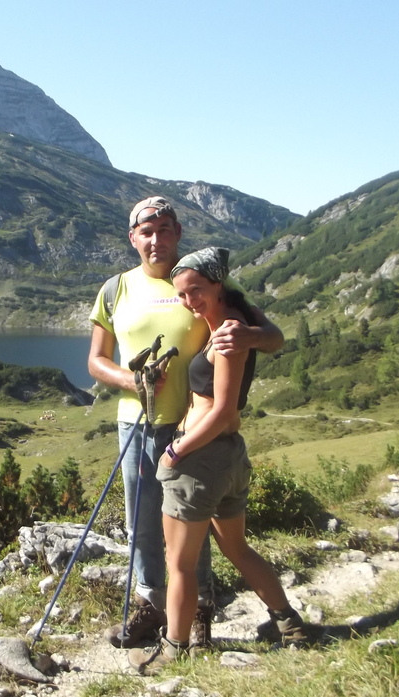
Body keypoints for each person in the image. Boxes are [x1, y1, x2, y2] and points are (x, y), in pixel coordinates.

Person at [88, 196, 284, 650]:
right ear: (133, 238)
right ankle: (152, 607)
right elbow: (97, 361)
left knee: (192, 523)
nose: (157, 239)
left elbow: (273, 338)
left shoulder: (203, 282)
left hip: (193, 428)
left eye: (166, 229)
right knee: (142, 525)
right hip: (136, 423)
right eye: (147, 231)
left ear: (178, 232)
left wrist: (247, 334)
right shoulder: (114, 289)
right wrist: (133, 379)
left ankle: (198, 616)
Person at [127, 247, 307, 675]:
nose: (189, 301)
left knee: (180, 564)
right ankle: (290, 626)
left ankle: (173, 649)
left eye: (196, 291)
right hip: (229, 458)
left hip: (200, 459)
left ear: (217, 284)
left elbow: (223, 409)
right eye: (182, 295)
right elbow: (271, 338)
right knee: (236, 547)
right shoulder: (238, 320)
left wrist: (176, 450)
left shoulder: (227, 334)